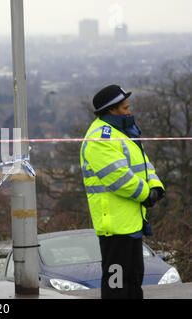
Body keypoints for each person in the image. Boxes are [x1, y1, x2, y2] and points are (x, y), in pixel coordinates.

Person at [80, 84, 165, 299]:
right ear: (111, 110)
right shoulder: (101, 138)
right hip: (115, 227)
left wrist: (156, 186)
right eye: (125, 108)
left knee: (134, 281)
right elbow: (118, 178)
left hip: (131, 222)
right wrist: (147, 194)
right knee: (117, 285)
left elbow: (145, 166)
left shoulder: (122, 133)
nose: (129, 111)